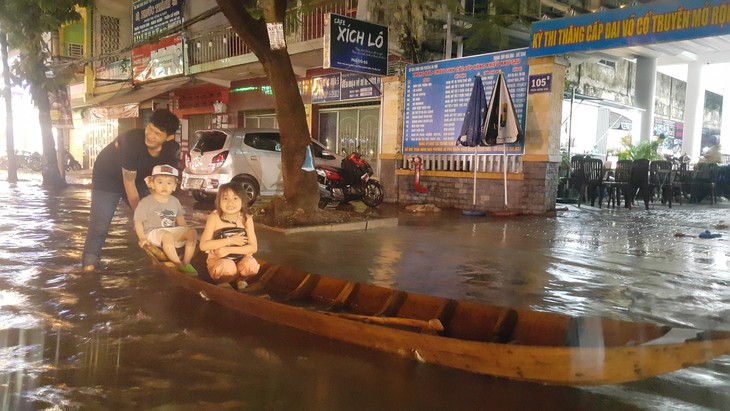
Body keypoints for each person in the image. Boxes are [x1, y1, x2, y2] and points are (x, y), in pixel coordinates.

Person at [82, 109, 180, 271]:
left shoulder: (171, 151)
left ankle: (166, 260)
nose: (150, 135)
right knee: (100, 223)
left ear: (168, 137)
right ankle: (89, 265)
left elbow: (165, 186)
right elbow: (129, 184)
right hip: (108, 177)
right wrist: (139, 216)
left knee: (158, 219)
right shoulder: (132, 141)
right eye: (149, 128)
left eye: (157, 133)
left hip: (140, 179)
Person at [133, 165, 197, 273]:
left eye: (169, 183)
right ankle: (178, 264)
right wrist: (142, 238)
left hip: (169, 233)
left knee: (192, 232)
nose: (164, 186)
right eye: (160, 182)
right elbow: (138, 222)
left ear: (174, 186)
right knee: (167, 236)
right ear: (152, 184)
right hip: (152, 233)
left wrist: (188, 234)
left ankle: (186, 262)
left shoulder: (175, 201)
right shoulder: (146, 202)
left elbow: (181, 222)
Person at [199, 182, 260, 288]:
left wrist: (229, 249)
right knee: (227, 266)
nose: (230, 202)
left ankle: (240, 279)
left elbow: (253, 247)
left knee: (251, 265)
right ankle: (224, 283)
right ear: (219, 202)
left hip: (240, 259)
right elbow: (203, 245)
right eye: (225, 198)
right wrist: (229, 241)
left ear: (243, 202)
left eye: (235, 198)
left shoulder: (246, 219)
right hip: (220, 262)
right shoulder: (214, 218)